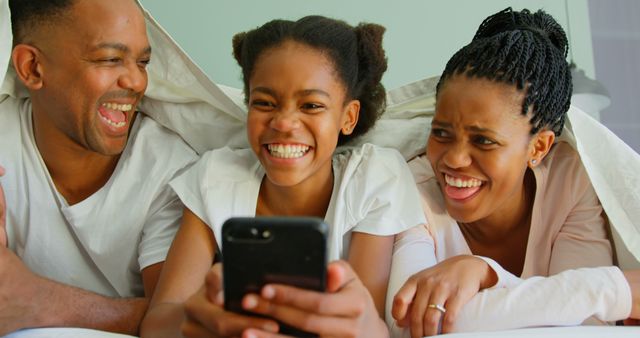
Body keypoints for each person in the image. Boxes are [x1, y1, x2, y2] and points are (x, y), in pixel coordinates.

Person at [140, 15, 426, 338]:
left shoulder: (373, 178)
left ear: (348, 117)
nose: (284, 122)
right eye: (264, 102)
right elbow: (157, 322)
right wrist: (202, 316)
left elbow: (361, 321)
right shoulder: (215, 178)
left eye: (312, 105)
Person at [387, 7, 640, 337]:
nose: (455, 159)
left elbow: (585, 327)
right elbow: (411, 321)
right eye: (442, 133)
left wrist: (485, 274)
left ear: (538, 148)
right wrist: (613, 290)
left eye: (484, 140)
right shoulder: (409, 186)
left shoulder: (570, 181)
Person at [0, 0, 198, 334]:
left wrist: (38, 300)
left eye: (143, 62)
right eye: (110, 59)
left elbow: (178, 323)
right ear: (32, 68)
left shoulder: (172, 173)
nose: (136, 81)